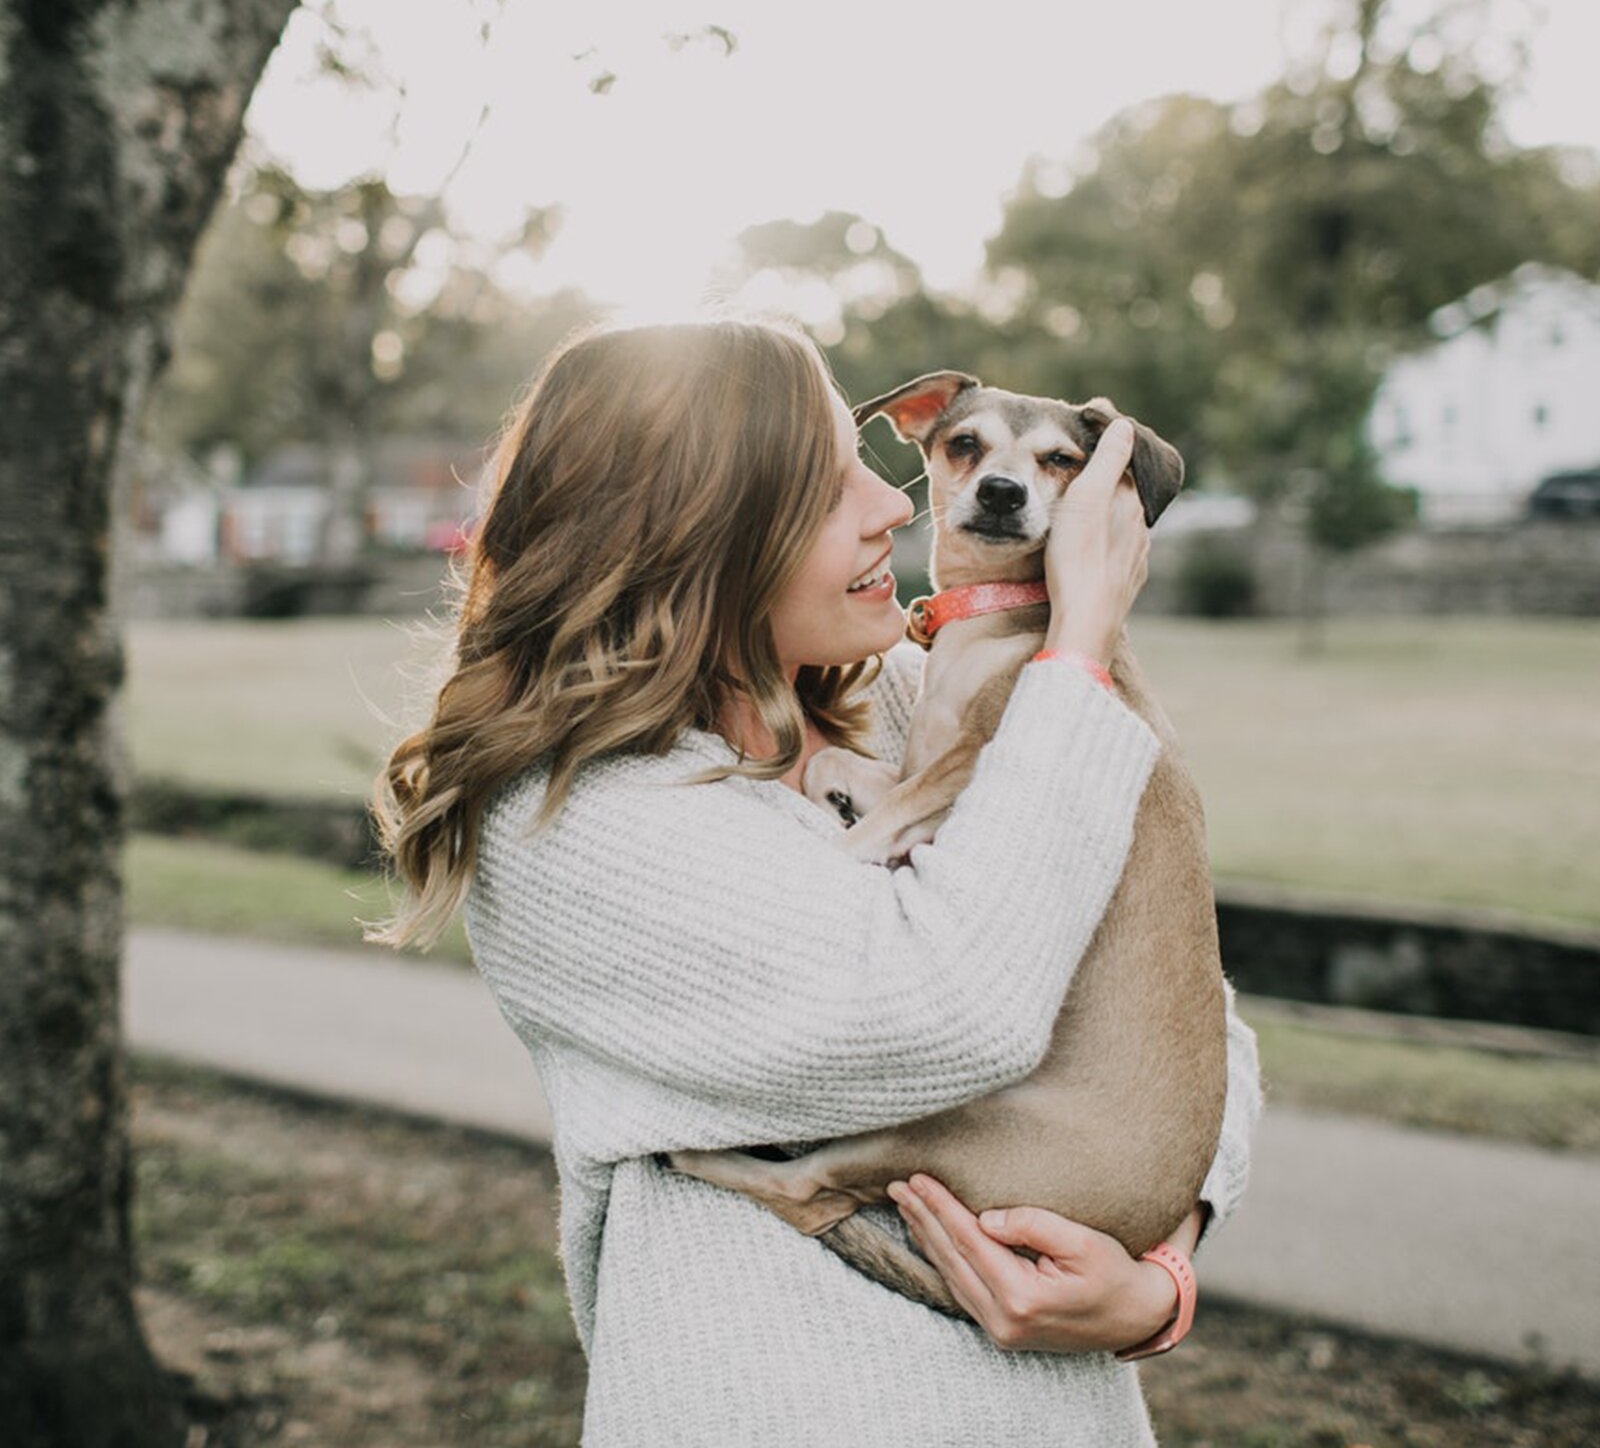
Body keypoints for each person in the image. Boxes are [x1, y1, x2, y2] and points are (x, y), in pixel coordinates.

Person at [369, 314, 1262, 1446]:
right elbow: (953, 1009)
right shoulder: (572, 823)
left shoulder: (903, 699)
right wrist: (1078, 645)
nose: (894, 501)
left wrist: (1158, 1273)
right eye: (831, 484)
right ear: (699, 533)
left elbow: (1186, 1011)